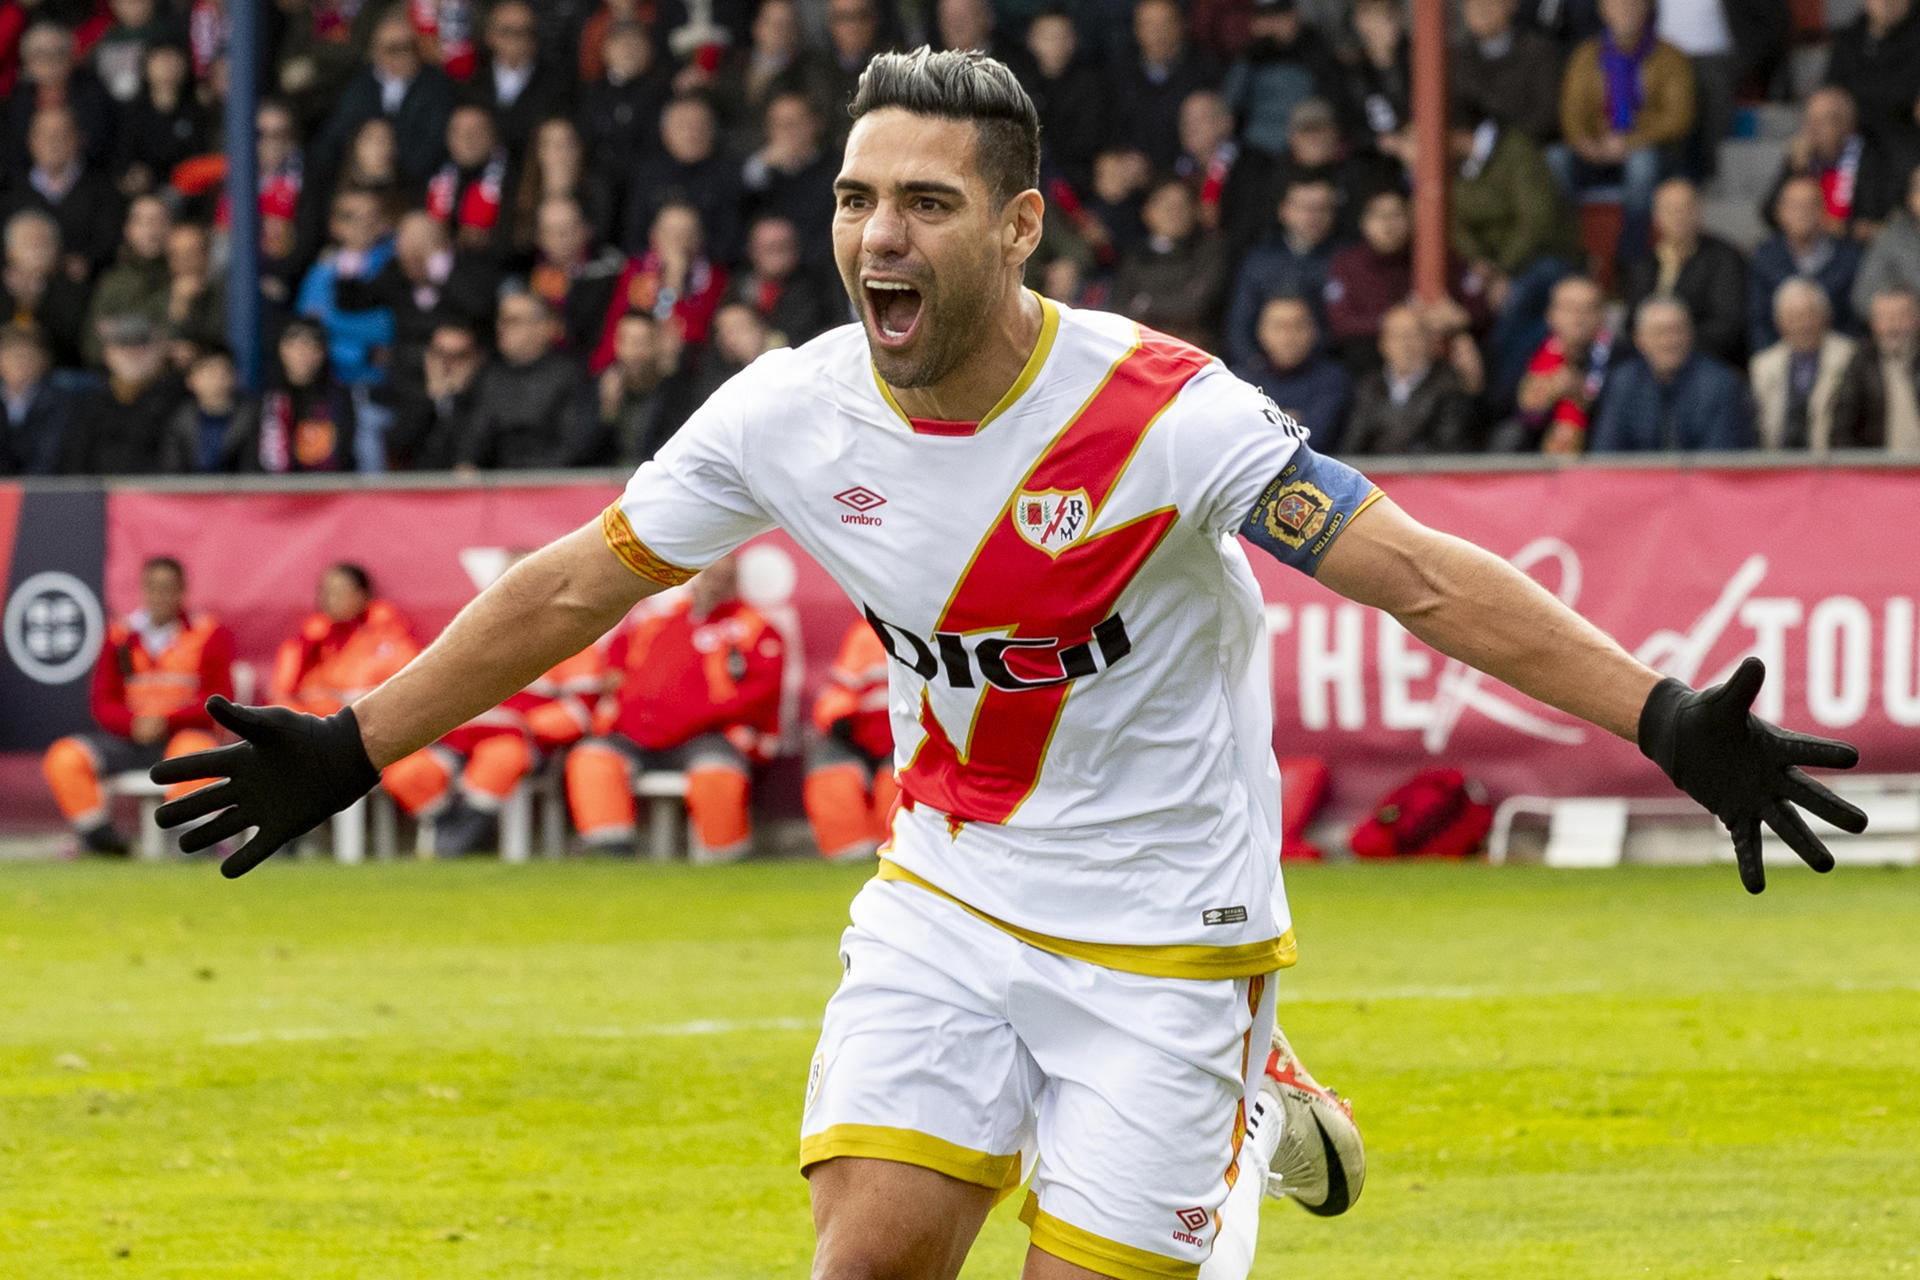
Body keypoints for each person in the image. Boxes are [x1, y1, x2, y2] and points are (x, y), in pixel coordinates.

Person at [155, 50, 1866, 1280]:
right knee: (869, 1261)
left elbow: (1416, 576)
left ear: (1023, 224)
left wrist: (1658, 715)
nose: (877, 236)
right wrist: (356, 742)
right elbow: (569, 588)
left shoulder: (1168, 414)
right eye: (855, 199)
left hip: (1173, 941)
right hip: (949, 897)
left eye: (926, 201)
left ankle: (1242, 1081)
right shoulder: (789, 411)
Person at [566, 555, 784, 861]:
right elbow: (618, 652)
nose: (716, 582)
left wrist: (692, 715)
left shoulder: (754, 627)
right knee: (592, 759)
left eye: (726, 575)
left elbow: (760, 694)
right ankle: (609, 856)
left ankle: (725, 864)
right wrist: (617, 680)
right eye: (710, 573)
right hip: (638, 734)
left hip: (709, 736)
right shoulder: (660, 619)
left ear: (737, 580)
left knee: (716, 774)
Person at [42, 555, 232, 855]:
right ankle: (100, 841)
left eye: (167, 588)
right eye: (152, 587)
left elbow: (219, 699)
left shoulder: (208, 633)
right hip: (129, 740)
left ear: (182, 591)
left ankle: (193, 841)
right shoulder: (120, 636)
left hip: (181, 736)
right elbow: (102, 703)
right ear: (142, 590)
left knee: (195, 752)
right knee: (65, 756)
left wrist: (166, 721)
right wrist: (133, 724)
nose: (159, 596)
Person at [1551, 0, 1694, 262]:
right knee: (1555, 159)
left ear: (1646, 9)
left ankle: (1630, 258)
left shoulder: (1669, 56)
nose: (1626, 10)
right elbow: (1571, 111)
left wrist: (1629, 142)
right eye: (1618, 4)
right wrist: (1586, 144)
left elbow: (1678, 117)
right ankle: (1567, 252)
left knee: (1642, 164)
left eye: (1633, 4)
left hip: (1649, 150)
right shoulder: (1586, 55)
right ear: (1603, 10)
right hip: (1595, 150)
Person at [460, 287, 599, 469]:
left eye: (513, 321)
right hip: (499, 480)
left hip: (552, 479)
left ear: (544, 327)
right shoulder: (491, 376)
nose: (502, 328)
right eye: (501, 320)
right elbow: (473, 441)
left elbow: (575, 446)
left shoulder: (571, 376)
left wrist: (528, 479)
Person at [313, 8, 456, 184]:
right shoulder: (358, 84)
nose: (405, 54)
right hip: (358, 179)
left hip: (413, 182)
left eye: (411, 46)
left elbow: (433, 146)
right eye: (394, 48)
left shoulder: (436, 86)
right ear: (375, 52)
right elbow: (333, 139)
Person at [1589, 296, 1753, 450]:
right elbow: (1606, 454)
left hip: (1702, 471)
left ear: (1691, 334)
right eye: (1658, 333)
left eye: (1677, 331)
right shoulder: (1621, 382)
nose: (1668, 342)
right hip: (1637, 472)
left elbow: (1721, 458)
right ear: (1639, 339)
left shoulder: (1719, 384)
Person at [1620, 178, 1748, 367]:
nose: (1678, 216)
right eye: (1669, 209)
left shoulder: (1724, 257)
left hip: (1704, 360)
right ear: (1655, 215)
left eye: (1685, 208)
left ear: (1698, 211)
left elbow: (1728, 325)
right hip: (1648, 363)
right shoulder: (1644, 262)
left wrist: (1673, 349)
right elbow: (1631, 322)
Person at [268, 563, 419, 717]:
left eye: (338, 592)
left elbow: (408, 689)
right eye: (325, 592)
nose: (329, 600)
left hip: (366, 721)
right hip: (314, 723)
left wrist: (338, 697)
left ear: (362, 596)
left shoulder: (388, 636)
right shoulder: (309, 640)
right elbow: (282, 694)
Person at [803, 617, 896, 860]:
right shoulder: (866, 633)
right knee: (832, 771)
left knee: (902, 776)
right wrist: (837, 716)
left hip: (913, 735)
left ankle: (901, 850)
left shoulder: (939, 627)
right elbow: (843, 686)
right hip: (861, 730)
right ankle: (848, 849)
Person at [1224, 176, 1339, 368]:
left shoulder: (1345, 258)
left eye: (1321, 208)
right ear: (1284, 210)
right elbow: (1239, 325)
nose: (1313, 216)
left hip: (1324, 369)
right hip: (1262, 369)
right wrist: (1254, 366)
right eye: (1304, 208)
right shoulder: (1259, 259)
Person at [1340, 303, 1476, 454]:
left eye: (1413, 335)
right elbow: (1352, 444)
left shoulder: (1449, 385)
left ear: (1429, 341)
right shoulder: (1369, 386)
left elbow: (1448, 445)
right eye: (1397, 336)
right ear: (1383, 344)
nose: (1405, 344)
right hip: (1374, 468)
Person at [58, 314, 187, 474]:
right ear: (108, 353)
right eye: (123, 344)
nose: (132, 352)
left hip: (157, 488)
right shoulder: (89, 401)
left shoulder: (180, 397)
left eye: (142, 343)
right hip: (99, 488)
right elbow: (75, 462)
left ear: (160, 348)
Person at [1110, 177, 1228, 350]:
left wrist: (1145, 303)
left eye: (1182, 205)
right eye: (1165, 204)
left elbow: (1194, 305)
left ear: (1195, 211)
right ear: (1147, 212)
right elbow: (1118, 308)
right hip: (1139, 346)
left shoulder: (1211, 249)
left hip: (1191, 347)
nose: (1173, 212)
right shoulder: (1134, 255)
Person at [1747, 176, 1862, 352]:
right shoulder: (1764, 258)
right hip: (1780, 355)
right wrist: (1769, 358)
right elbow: (1758, 320)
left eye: (1810, 205)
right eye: (1795, 206)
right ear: (1780, 213)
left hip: (1837, 353)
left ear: (1823, 210)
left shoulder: (1850, 257)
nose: (1802, 213)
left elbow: (1855, 319)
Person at [1509, 275, 1619, 454]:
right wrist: (1542, 394)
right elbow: (1502, 407)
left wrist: (1584, 398)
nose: (1578, 318)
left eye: (1588, 309)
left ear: (1602, 316)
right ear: (1550, 315)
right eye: (1569, 308)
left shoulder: (1622, 358)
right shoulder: (1528, 353)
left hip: (1597, 456)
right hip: (1535, 454)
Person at [1749, 278, 1857, 451]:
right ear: (1778, 322)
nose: (1803, 325)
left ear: (1826, 315)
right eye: (1793, 317)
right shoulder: (1762, 366)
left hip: (1832, 461)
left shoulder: (1851, 357)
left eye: (1810, 314)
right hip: (1778, 462)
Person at [1233, 294, 1348, 451]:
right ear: (1261, 331)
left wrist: (1263, 424)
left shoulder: (1332, 380)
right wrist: (1290, 420)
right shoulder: (1240, 380)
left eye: (1298, 326)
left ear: (1314, 330)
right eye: (1279, 327)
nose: (1288, 337)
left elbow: (1315, 438)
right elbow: (1234, 439)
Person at [1450, 0, 1563, 147]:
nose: (1481, 10)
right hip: (1467, 151)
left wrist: (1489, 143)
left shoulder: (1539, 50)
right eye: (1473, 4)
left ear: (1511, 4)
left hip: (1528, 147)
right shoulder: (1456, 57)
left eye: (1489, 3)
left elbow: (1545, 118)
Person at [1829, 286, 1920, 450]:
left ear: (1916, 319)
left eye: (1901, 316)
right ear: (1872, 323)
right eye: (1884, 318)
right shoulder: (1860, 362)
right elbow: (1842, 427)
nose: (1893, 326)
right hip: (1876, 463)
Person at [162, 343, 261, 472]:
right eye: (208, 371)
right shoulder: (179, 419)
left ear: (234, 376)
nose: (216, 378)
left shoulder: (254, 416)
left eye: (222, 370)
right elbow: (171, 469)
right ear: (190, 379)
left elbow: (253, 469)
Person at [0, 321, 82, 474]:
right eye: (12, 354)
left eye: (27, 355)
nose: (19, 362)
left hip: (43, 484)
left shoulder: (62, 401)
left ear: (44, 359)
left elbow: (50, 456)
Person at [1850, 166, 1920, 323]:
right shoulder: (1890, 237)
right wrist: (1901, 313)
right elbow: (1863, 297)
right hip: (1900, 327)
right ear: (1910, 198)